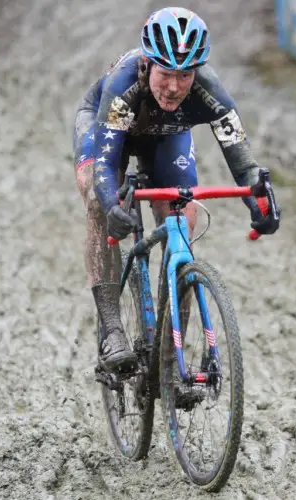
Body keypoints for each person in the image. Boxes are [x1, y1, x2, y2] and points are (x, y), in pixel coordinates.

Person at [72, 6, 281, 373]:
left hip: (166, 137)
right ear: (150, 65)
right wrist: (110, 203)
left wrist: (258, 201)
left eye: (184, 76)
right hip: (107, 130)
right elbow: (105, 164)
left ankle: (170, 354)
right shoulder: (125, 83)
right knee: (95, 197)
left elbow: (243, 162)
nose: (173, 86)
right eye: (166, 73)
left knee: (184, 214)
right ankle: (111, 329)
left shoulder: (208, 88)